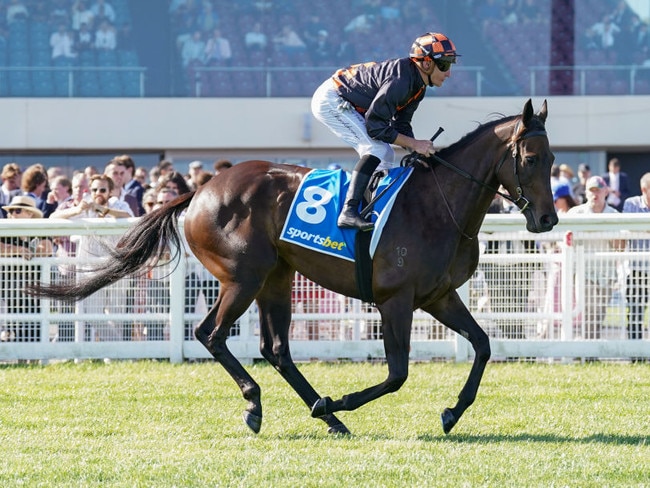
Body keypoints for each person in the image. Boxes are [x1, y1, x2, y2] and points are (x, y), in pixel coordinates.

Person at [311, 32, 459, 231]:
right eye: (445, 65)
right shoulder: (401, 82)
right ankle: (349, 211)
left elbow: (401, 126)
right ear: (426, 64)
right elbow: (375, 126)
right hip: (332, 99)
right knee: (376, 149)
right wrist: (415, 144)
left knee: (385, 153)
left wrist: (418, 154)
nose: (448, 73)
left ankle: (371, 208)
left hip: (349, 101)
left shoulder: (418, 87)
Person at [568, 176, 624, 340]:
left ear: (606, 192)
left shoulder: (614, 214)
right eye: (591, 190)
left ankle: (589, 348)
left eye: (598, 190)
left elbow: (620, 247)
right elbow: (565, 241)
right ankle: (588, 348)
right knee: (588, 309)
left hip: (606, 274)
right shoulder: (575, 213)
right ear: (586, 193)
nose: (595, 194)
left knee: (600, 312)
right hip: (584, 272)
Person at [0, 195, 53, 342]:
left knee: (33, 327)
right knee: (12, 327)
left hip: (33, 290)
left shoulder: (38, 230)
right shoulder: (5, 231)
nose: (11, 215)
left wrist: (27, 251)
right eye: (10, 212)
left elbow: (46, 248)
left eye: (17, 211)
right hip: (8, 291)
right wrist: (18, 250)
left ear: (29, 214)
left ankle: (34, 361)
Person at [622, 172, 650, 344]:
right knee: (635, 311)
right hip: (637, 269)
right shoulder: (631, 204)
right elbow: (626, 230)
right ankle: (635, 351)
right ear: (644, 189)